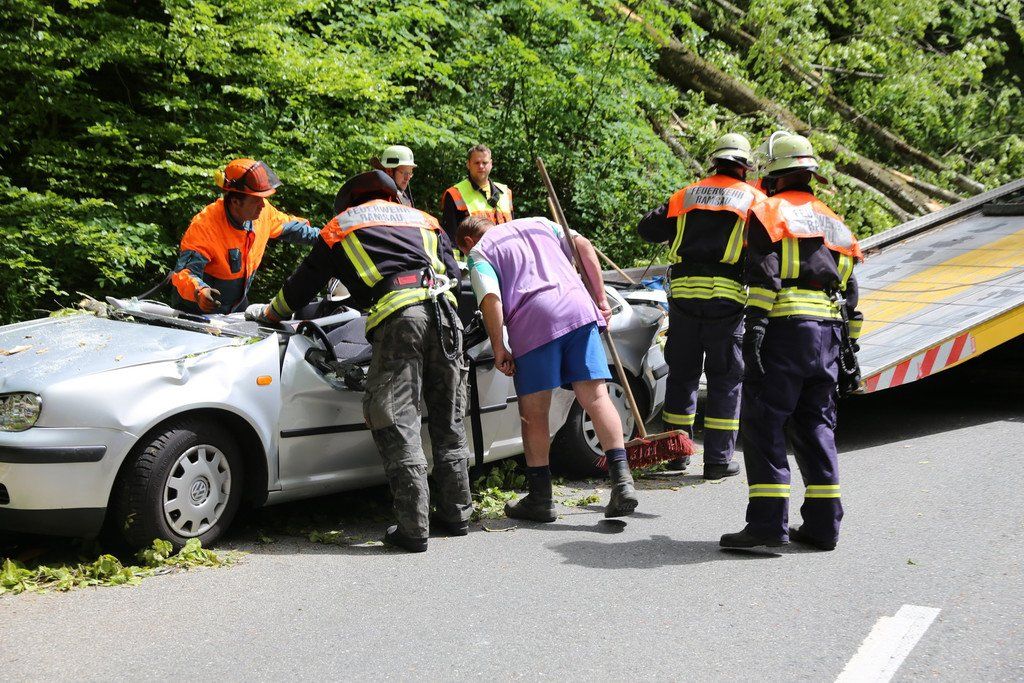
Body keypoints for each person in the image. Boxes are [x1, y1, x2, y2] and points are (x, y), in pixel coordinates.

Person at [253, 171, 472, 553]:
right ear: (391, 196)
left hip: (401, 316)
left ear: (350, 202)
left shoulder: (342, 226)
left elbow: (304, 283)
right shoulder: (426, 220)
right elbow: (453, 273)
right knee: (448, 415)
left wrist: (272, 314)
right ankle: (457, 514)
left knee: (394, 416)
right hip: (445, 315)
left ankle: (413, 527)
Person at [720, 134, 863, 551]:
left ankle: (767, 525)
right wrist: (850, 351)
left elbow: (764, 276)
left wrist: (755, 329)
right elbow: (850, 293)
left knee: (765, 423)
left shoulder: (767, 211)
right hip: (828, 336)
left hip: (785, 331)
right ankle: (823, 526)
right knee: (817, 426)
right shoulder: (835, 221)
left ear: (772, 174)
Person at [457, 215, 639, 521]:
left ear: (467, 241)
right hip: (579, 309)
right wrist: (600, 299)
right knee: (596, 397)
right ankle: (622, 482)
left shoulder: (480, 252)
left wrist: (499, 346)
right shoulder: (541, 223)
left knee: (533, 413)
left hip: (534, 321)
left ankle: (541, 498)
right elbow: (583, 246)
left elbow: (489, 297)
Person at [637, 133, 766, 479]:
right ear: (744, 166)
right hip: (727, 299)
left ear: (714, 162)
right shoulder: (754, 198)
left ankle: (676, 455)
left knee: (682, 375)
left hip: (684, 298)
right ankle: (718, 462)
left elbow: (647, 229)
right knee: (725, 378)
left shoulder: (686, 195)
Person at [171, 158, 318, 315]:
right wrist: (200, 291)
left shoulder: (263, 214)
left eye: (263, 198)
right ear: (235, 202)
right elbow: (184, 274)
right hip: (195, 310)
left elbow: (296, 229)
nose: (263, 205)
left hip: (235, 306)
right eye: (256, 200)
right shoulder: (205, 226)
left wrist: (329, 237)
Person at [441, 144, 513, 246]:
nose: (481, 166)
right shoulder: (454, 193)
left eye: (485, 162)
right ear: (468, 164)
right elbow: (450, 238)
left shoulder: (506, 192)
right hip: (474, 254)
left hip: (505, 252)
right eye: (477, 163)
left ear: (491, 164)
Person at [363, 144, 417, 209]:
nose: (407, 178)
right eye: (404, 173)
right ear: (389, 171)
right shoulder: (377, 196)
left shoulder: (402, 196)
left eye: (410, 173)